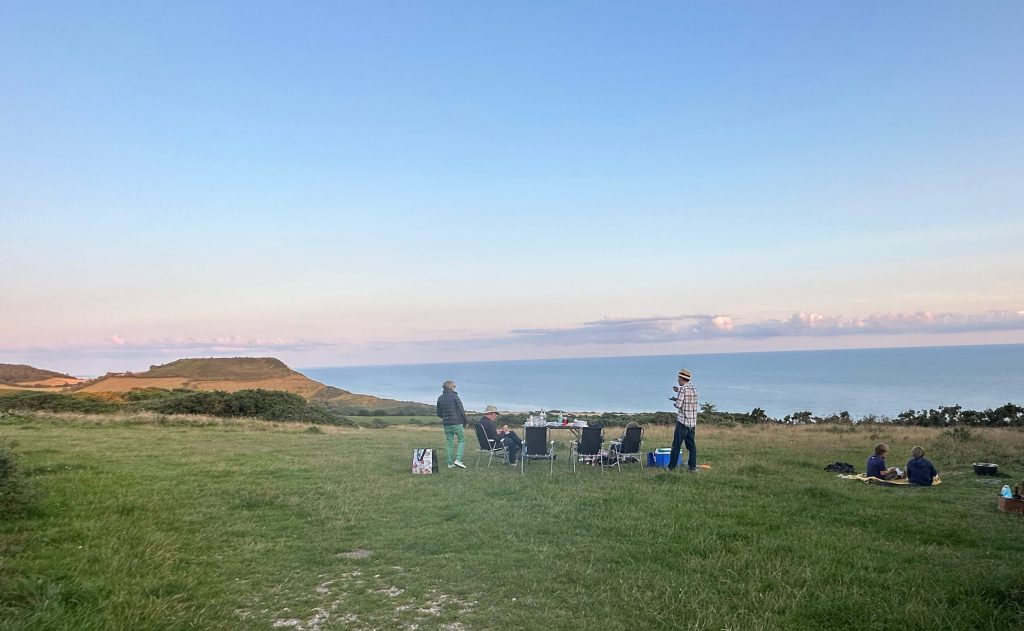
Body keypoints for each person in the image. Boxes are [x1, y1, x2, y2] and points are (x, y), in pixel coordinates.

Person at [668, 368, 698, 472]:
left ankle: (671, 467)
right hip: (692, 422)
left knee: (676, 446)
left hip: (682, 422)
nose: (677, 380)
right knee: (692, 447)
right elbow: (689, 400)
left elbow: (678, 405)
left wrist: (675, 401)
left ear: (682, 378)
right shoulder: (693, 388)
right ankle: (692, 467)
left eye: (678, 378)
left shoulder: (682, 389)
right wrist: (678, 390)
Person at [436, 380, 468, 469]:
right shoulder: (455, 397)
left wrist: (445, 418)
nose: (455, 388)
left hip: (446, 424)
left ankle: (450, 463)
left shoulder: (440, 398)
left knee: (449, 443)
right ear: (451, 387)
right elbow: (461, 410)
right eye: (454, 386)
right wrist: (466, 421)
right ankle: (458, 460)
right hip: (457, 423)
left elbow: (439, 413)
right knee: (461, 440)